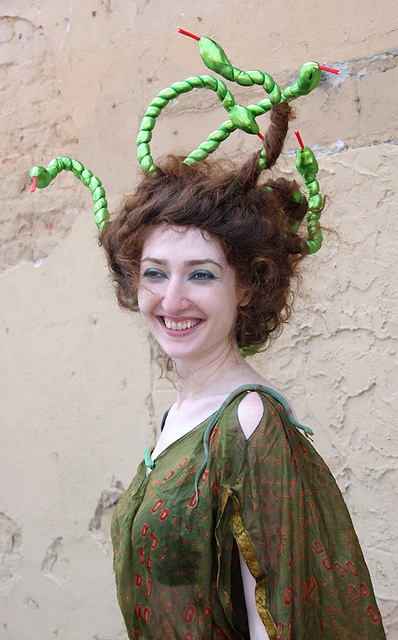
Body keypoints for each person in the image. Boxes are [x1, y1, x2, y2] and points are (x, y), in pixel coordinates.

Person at [101, 102, 387, 640]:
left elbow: (277, 623)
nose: (173, 298)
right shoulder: (180, 418)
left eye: (201, 274)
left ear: (248, 286)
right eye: (155, 274)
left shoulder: (250, 421)